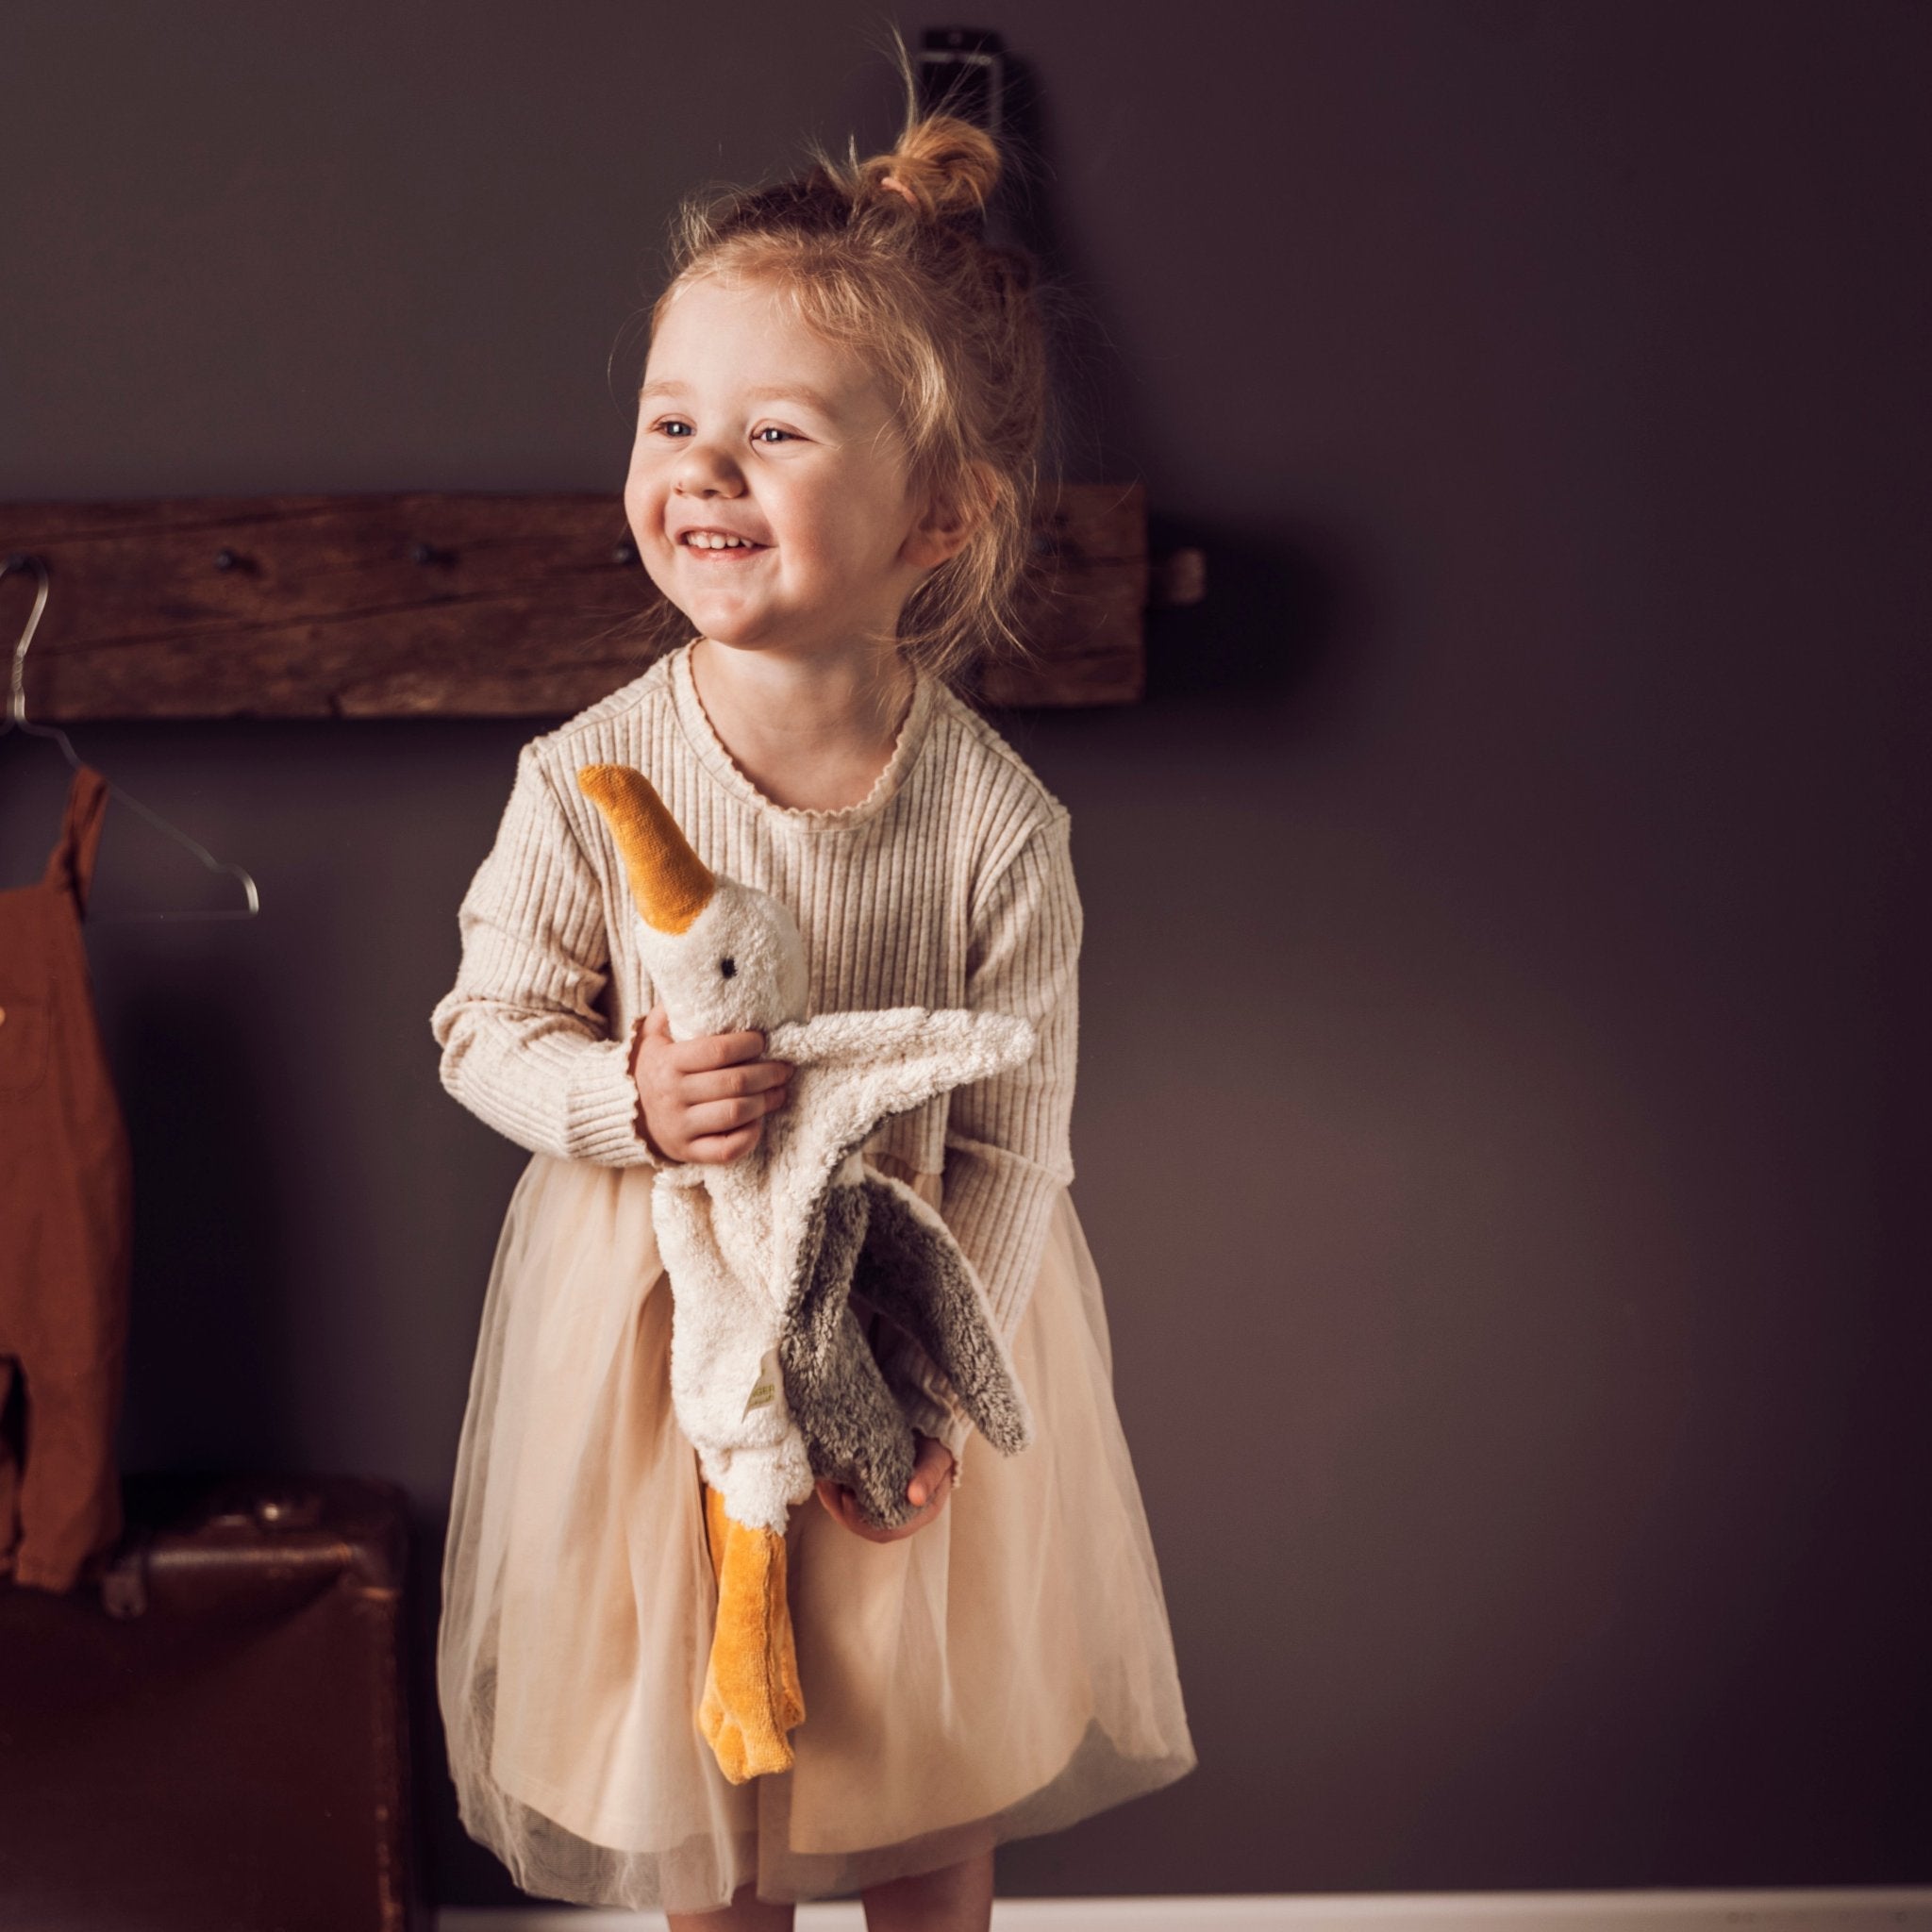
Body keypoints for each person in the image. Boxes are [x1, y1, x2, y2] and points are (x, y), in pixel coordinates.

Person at [430, 102, 1195, 1931]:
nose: (703, 469)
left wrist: (933, 1385)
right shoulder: (589, 773)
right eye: (670, 422)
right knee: (713, 1742)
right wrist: (627, 1094)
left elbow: (1017, 1133)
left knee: (909, 1730)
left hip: (903, 1320)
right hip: (659, 1340)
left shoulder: (992, 819)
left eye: (773, 435)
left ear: (936, 516)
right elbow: (484, 1023)